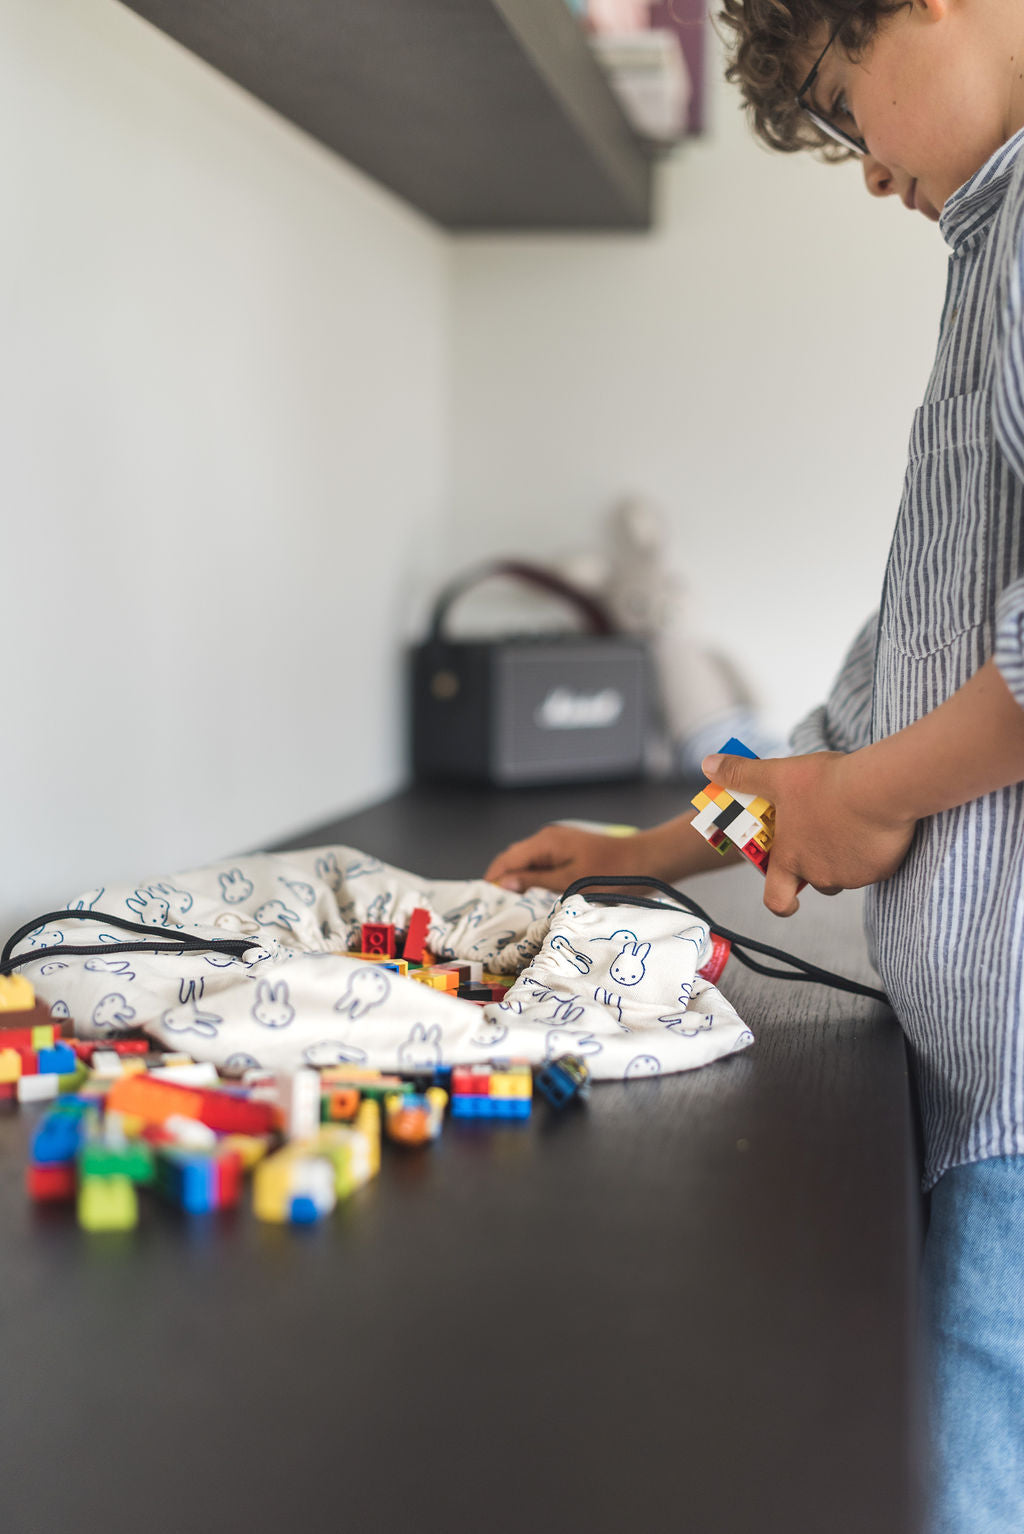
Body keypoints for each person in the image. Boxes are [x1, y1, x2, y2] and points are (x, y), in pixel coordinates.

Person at [484, 3, 1024, 1530]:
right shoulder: (986, 263)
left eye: (851, 110)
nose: (862, 172)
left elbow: (860, 771)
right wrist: (644, 848)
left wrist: (867, 798)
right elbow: (854, 717)